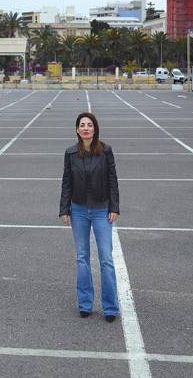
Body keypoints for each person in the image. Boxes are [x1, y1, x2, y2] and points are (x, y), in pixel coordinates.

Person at [60, 112, 120, 322]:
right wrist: (64, 209)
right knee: (82, 258)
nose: (86, 128)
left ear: (95, 129)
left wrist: (114, 207)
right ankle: (85, 304)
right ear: (77, 130)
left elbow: (113, 180)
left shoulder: (106, 151)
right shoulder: (70, 153)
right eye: (82, 125)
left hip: (101, 209)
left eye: (89, 125)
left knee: (106, 259)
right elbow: (66, 181)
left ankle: (110, 307)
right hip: (78, 210)